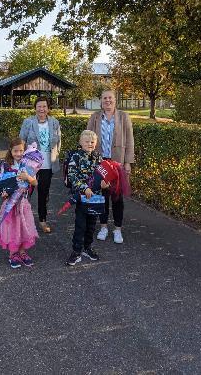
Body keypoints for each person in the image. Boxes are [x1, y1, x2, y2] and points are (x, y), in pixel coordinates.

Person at [87, 90, 134, 243]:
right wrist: (89, 161)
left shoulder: (123, 116)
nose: (107, 101)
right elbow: (87, 138)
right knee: (102, 197)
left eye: (110, 98)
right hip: (100, 163)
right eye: (105, 98)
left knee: (117, 197)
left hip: (117, 163)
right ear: (101, 101)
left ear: (115, 100)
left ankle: (118, 230)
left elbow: (130, 141)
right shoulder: (95, 117)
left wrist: (128, 162)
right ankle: (103, 227)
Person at [66, 130, 109, 266]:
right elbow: (72, 176)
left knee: (91, 225)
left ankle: (87, 247)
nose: (90, 144)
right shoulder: (76, 157)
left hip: (96, 197)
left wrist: (105, 183)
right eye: (87, 141)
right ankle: (76, 251)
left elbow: (104, 174)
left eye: (92, 142)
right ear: (80, 142)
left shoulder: (98, 157)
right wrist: (84, 188)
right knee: (80, 225)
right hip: (82, 197)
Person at [19, 96, 61, 233]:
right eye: (39, 106)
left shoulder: (54, 122)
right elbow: (21, 141)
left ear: (48, 108)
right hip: (31, 165)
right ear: (35, 108)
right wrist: (20, 161)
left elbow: (58, 142)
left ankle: (42, 220)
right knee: (26, 192)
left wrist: (56, 156)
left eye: (44, 106)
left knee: (44, 193)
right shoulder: (28, 122)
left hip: (48, 164)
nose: (42, 109)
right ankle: (22, 220)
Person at [0, 138, 39, 269]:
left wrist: (28, 178)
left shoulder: (29, 165)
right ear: (11, 150)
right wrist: (2, 193)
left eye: (21, 150)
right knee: (12, 227)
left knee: (23, 227)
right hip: (10, 202)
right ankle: (13, 253)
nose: (19, 153)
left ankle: (22, 252)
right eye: (16, 151)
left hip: (23, 203)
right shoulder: (5, 165)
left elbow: (35, 183)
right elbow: (0, 183)